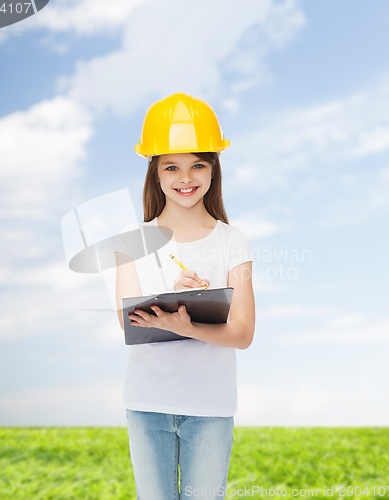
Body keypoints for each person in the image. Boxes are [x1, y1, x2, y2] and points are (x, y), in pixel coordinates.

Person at [115, 92, 255, 500]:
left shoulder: (233, 242)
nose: (186, 177)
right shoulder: (132, 242)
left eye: (198, 164)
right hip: (146, 403)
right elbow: (126, 323)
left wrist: (189, 323)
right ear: (154, 174)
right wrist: (170, 304)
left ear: (214, 169)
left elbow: (243, 333)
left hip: (210, 407)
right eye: (171, 166)